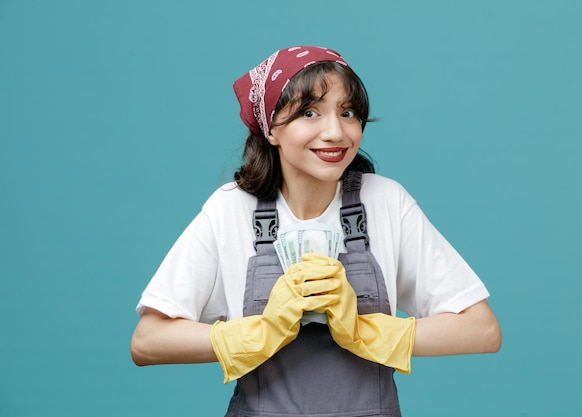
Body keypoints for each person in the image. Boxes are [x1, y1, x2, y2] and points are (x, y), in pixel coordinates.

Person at [131, 46, 501, 417]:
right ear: (271, 128)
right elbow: (148, 343)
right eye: (310, 112)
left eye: (348, 112)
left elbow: (481, 330)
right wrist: (260, 333)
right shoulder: (231, 209)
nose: (335, 132)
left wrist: (365, 331)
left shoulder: (385, 202)